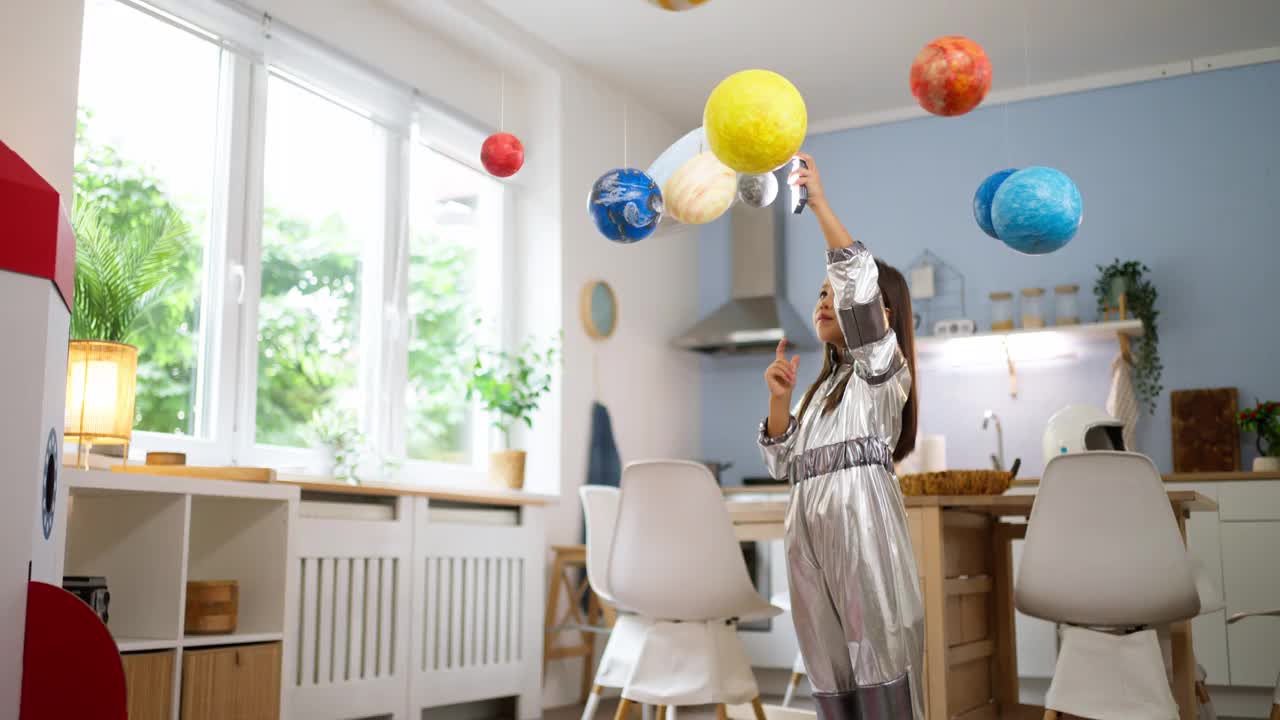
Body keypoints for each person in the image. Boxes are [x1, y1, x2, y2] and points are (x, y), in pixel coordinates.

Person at [758, 152, 924, 719]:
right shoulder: (819, 391)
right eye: (821, 292)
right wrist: (780, 402)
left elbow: (858, 291)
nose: (828, 299)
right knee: (827, 667)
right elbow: (782, 463)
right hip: (807, 533)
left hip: (862, 527)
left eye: (838, 292)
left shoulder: (881, 372)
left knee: (877, 658)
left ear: (881, 315)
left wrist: (821, 204)